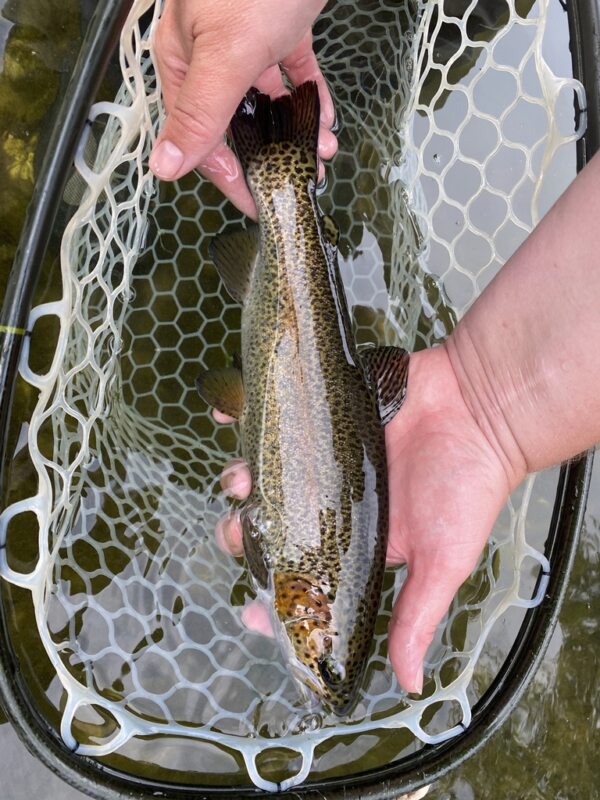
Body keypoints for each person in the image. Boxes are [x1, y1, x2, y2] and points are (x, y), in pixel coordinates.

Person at [149, 0, 600, 695]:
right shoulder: (298, 574)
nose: (314, 668)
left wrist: (494, 416)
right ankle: (282, 177)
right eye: (323, 663)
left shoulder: (303, 577)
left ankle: (279, 173)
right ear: (313, 617)